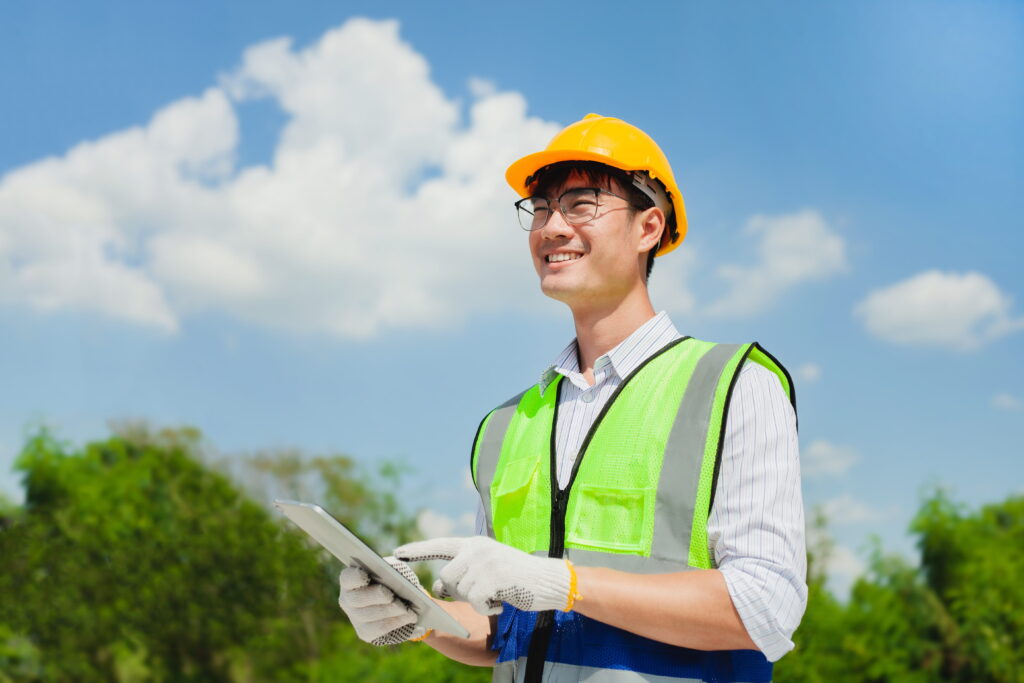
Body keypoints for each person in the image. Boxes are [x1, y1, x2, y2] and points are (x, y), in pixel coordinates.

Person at [337, 114, 806, 683]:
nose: (551, 226)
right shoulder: (506, 424)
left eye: (581, 205)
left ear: (648, 228)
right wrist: (421, 617)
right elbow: (508, 631)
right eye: (540, 209)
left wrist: (564, 583)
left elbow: (765, 607)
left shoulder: (733, 385)